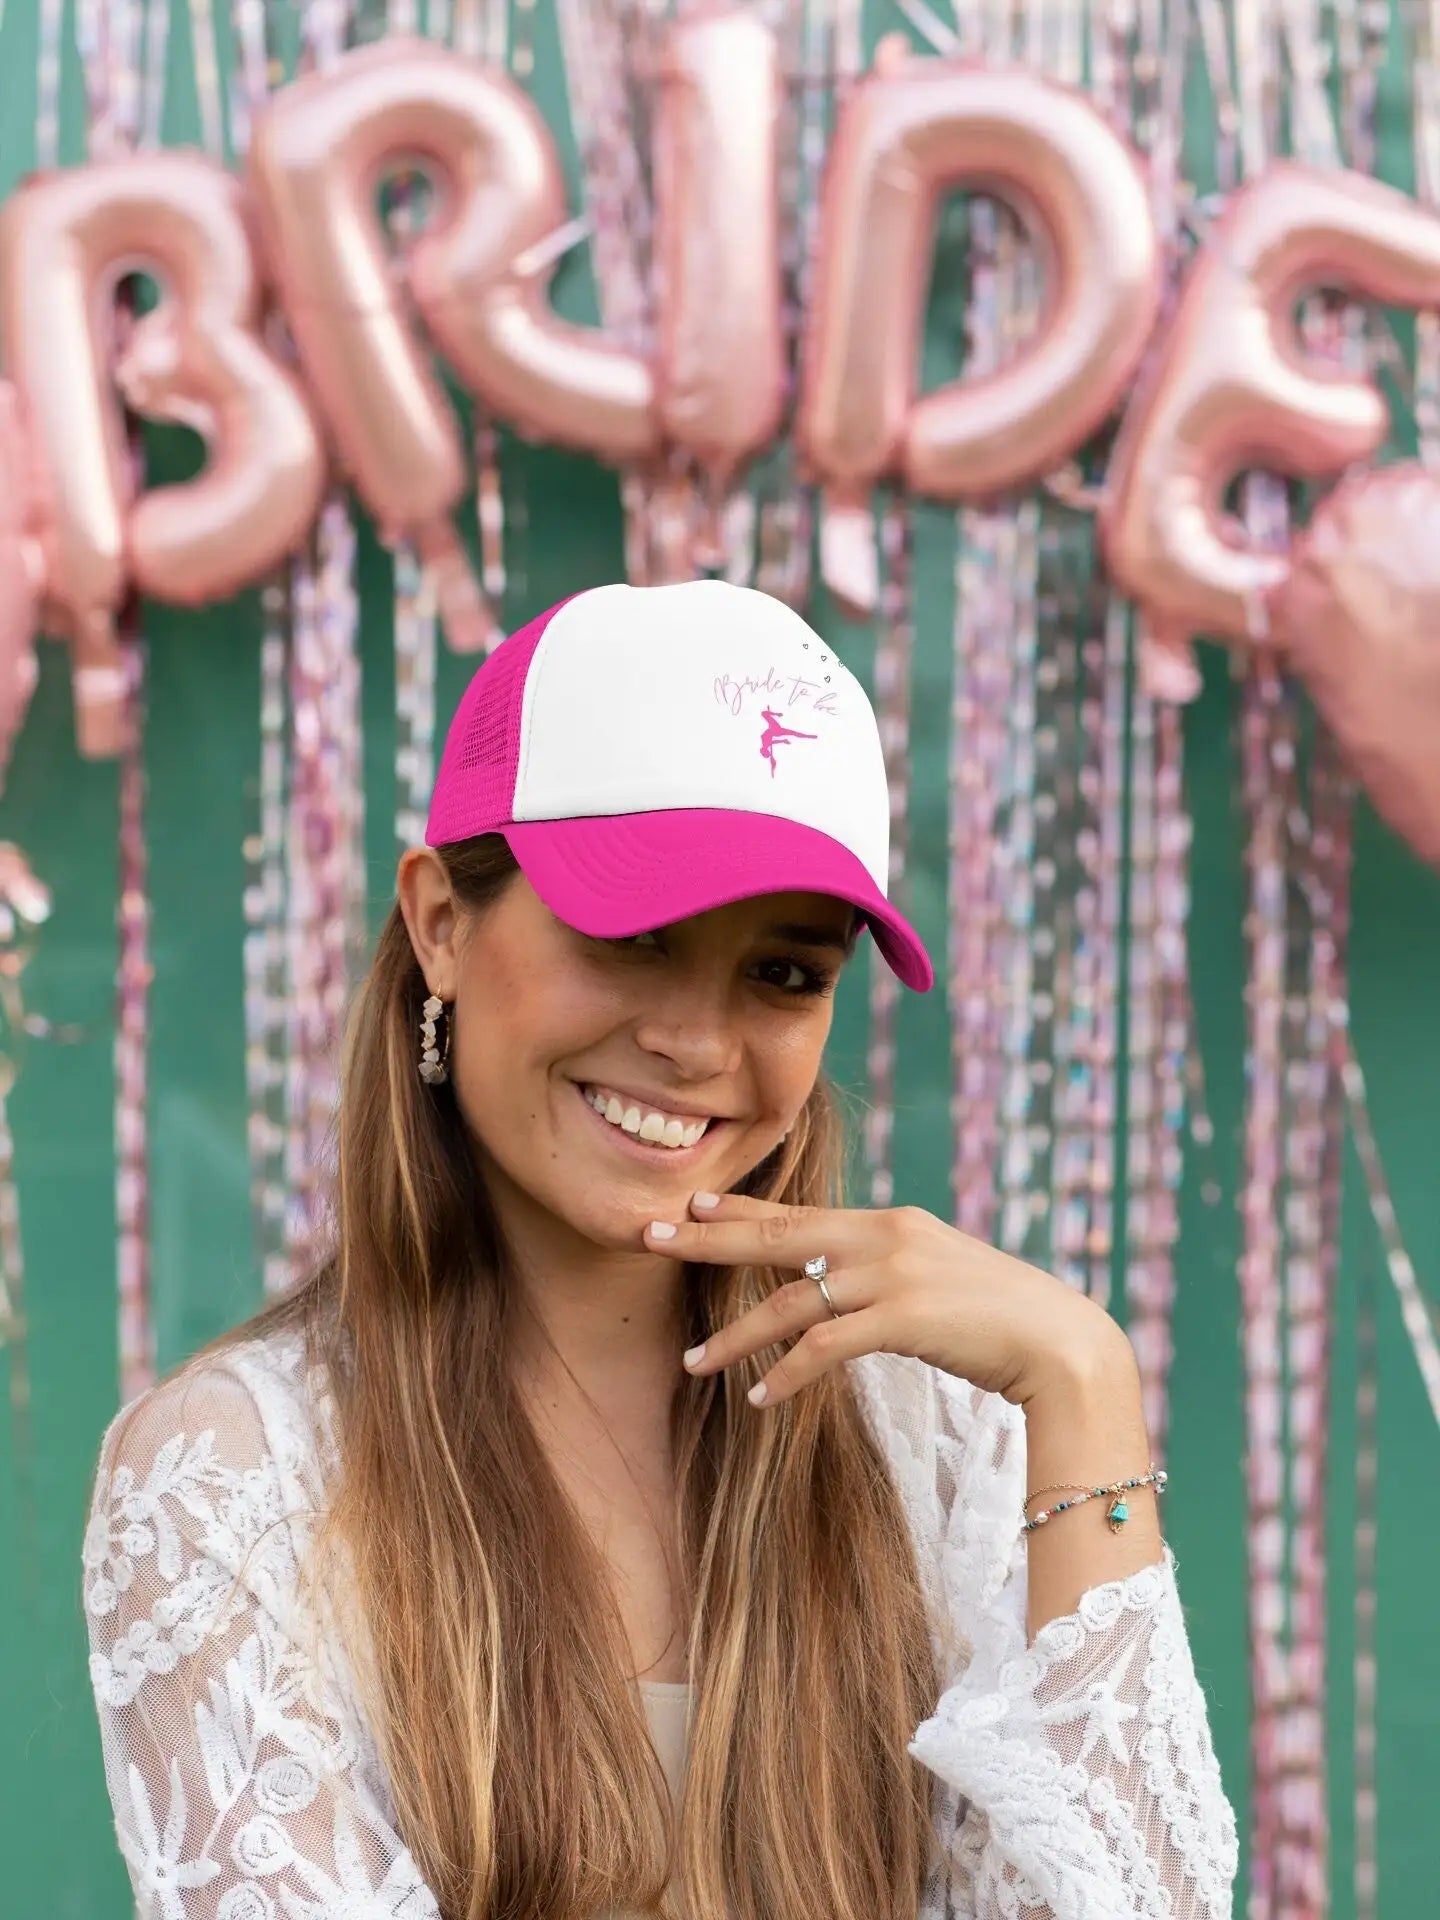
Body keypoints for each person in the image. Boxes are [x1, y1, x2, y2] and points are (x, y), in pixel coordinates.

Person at [81, 580, 1238, 1920]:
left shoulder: (944, 1438)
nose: (697, 1042)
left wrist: (1083, 1384)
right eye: (632, 938)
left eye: (785, 975)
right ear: (441, 924)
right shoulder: (234, 1476)